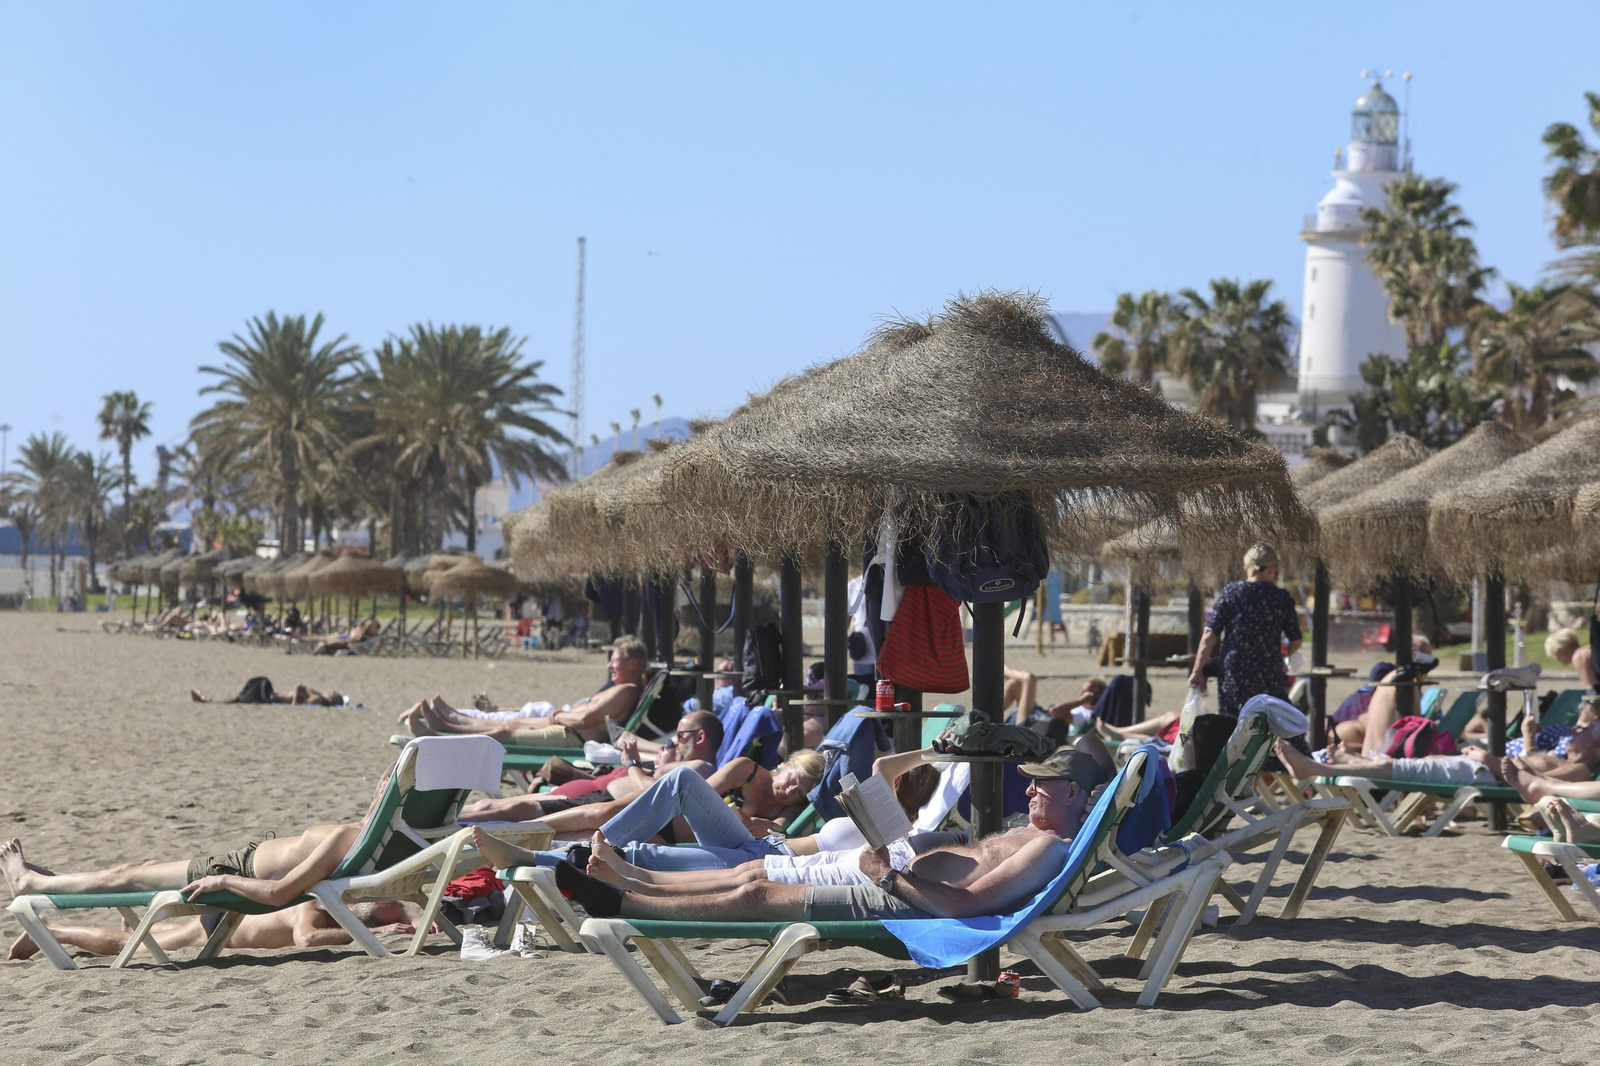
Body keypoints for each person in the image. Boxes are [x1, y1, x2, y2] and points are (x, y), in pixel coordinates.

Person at [470, 747, 1108, 923]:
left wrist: (890, 872)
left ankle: (623, 895)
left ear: (1078, 795)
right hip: (885, 873)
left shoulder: (1048, 844)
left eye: (1043, 785)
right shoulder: (1034, 830)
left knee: (754, 888)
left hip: (889, 894)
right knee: (751, 876)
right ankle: (625, 878)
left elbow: (971, 903)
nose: (1029, 790)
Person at [0, 771, 395, 909]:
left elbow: (277, 894)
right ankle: (54, 880)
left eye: (383, 787)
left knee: (130, 873)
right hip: (241, 860)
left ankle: (31, 883)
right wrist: (372, 811)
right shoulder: (367, 836)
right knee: (147, 870)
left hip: (233, 869)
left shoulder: (348, 836)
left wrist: (222, 881)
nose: (378, 789)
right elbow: (362, 830)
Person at [500, 749, 825, 865]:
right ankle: (515, 833)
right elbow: (702, 794)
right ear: (787, 764)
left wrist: (768, 826)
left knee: (592, 835)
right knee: (597, 815)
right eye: (793, 778)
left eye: (800, 791)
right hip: (667, 808)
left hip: (674, 837)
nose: (790, 789)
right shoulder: (748, 770)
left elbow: (782, 832)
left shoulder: (790, 809)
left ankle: (519, 847)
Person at [455, 711, 723, 822]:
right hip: (593, 797)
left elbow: (654, 794)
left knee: (508, 808)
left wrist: (632, 764)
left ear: (700, 738)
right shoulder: (686, 763)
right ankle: (439, 822)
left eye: (680, 737)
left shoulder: (702, 767)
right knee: (496, 806)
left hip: (599, 805)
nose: (673, 741)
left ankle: (441, 826)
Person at [401, 637, 650, 746]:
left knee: (505, 730)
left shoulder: (625, 691)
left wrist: (558, 716)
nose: (609, 665)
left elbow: (584, 719)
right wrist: (561, 716)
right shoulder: (622, 689)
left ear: (632, 664)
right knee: (512, 723)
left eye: (614, 660)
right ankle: (444, 728)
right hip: (568, 729)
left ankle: (440, 736)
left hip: (571, 736)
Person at [8, 900, 415, 962]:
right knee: (124, 948)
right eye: (376, 920)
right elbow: (304, 941)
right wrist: (367, 936)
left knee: (135, 940)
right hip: (214, 931)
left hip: (224, 924)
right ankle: (53, 929)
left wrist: (414, 924)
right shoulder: (312, 909)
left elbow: (390, 911)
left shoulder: (326, 907)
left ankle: (138, 920)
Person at [1187, 542, 1302, 717]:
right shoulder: (1281, 598)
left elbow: (1210, 635)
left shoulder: (1232, 592)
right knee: (1267, 724)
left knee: (1232, 725)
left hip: (1234, 674)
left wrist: (1197, 672)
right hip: (1268, 673)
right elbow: (1295, 640)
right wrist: (1283, 654)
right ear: (1272, 568)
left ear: (1246, 567)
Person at [1020, 677, 1108, 746]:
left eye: (1084, 693)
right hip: (1037, 720)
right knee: (1016, 685)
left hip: (1034, 727)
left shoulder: (1086, 715)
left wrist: (1081, 701)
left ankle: (1006, 669)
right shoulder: (1080, 708)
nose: (1081, 695)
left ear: (1094, 696)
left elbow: (1054, 710)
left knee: (1029, 679)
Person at [189, 678, 347, 706]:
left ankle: (207, 701)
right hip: (273, 695)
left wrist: (297, 692)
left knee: (242, 698)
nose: (330, 692)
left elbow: (296, 705)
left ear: (332, 700)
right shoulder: (317, 694)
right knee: (242, 697)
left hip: (273, 699)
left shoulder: (318, 700)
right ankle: (207, 700)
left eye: (333, 693)